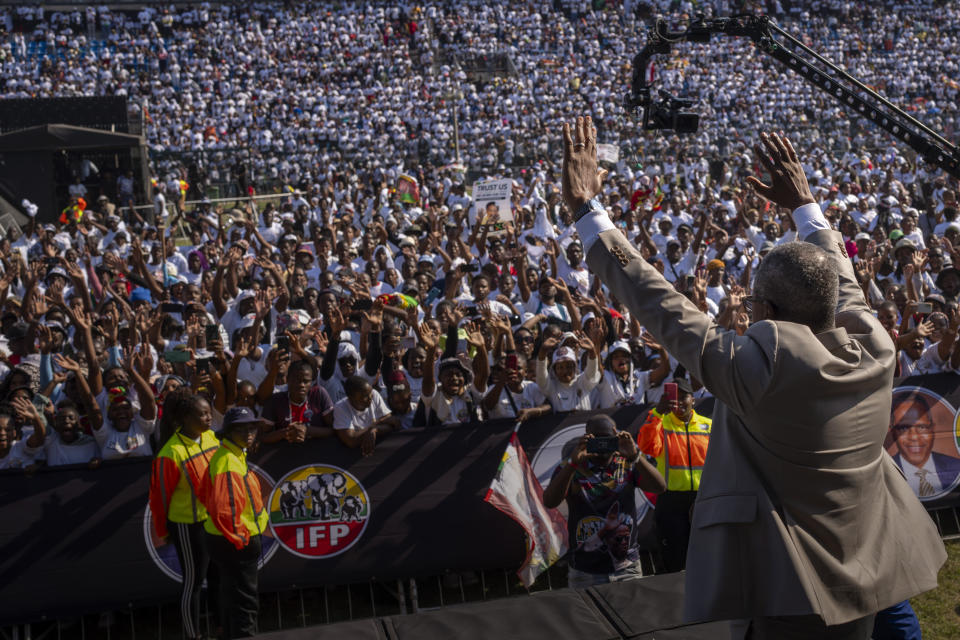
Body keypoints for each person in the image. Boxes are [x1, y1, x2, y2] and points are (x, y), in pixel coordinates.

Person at [562, 118, 944, 637]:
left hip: (790, 586)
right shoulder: (876, 351)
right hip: (868, 561)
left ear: (764, 307)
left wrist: (586, 207)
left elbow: (658, 303)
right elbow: (845, 288)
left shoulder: (757, 372)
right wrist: (805, 206)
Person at [542, 414, 665, 588]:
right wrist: (572, 465)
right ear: (585, 438)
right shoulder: (571, 467)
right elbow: (550, 502)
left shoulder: (628, 464)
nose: (602, 443)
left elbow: (660, 487)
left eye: (607, 438)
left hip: (627, 567)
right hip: (585, 570)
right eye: (596, 438)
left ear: (616, 436)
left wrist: (635, 456)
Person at [149, 390, 220, 640]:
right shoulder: (171, 453)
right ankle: (193, 635)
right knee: (194, 581)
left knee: (217, 577)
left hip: (213, 522)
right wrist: (163, 530)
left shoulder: (211, 437)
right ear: (186, 419)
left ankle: (221, 628)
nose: (209, 418)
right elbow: (160, 498)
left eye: (209, 413)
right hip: (188, 525)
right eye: (202, 414)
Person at [201, 407, 270, 640]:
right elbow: (223, 509)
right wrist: (241, 538)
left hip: (229, 540)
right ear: (228, 432)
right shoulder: (228, 461)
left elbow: (205, 495)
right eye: (241, 428)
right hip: (236, 542)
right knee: (245, 603)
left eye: (252, 426)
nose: (249, 432)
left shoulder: (232, 455)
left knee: (232, 598)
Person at [636, 377, 712, 572]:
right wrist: (658, 412)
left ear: (693, 399)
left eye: (683, 396)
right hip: (671, 500)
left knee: (709, 555)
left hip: (704, 499)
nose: (678, 401)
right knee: (675, 558)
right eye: (673, 397)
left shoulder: (708, 425)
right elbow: (647, 447)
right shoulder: (660, 422)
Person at [888, 390, 960, 498]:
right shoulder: (886, 474)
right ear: (893, 432)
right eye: (904, 428)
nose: (914, 437)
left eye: (921, 427)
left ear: (932, 428)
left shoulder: (955, 464)